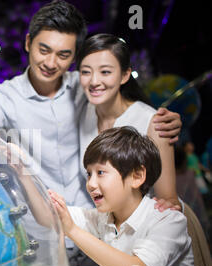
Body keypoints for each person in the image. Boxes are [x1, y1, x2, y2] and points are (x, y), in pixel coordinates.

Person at [0, 0, 182, 265]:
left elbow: (123, 100)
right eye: (43, 50)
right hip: (45, 232)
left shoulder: (86, 84)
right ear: (28, 42)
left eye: (64, 55)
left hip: (99, 228)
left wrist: (160, 120)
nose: (51, 62)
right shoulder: (6, 96)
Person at [49, 126, 209, 266]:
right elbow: (49, 214)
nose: (91, 184)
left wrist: (72, 230)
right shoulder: (103, 218)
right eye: (89, 174)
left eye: (101, 172)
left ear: (137, 176)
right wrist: (24, 174)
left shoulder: (167, 220)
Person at [76, 33, 181, 210]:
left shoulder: (153, 123)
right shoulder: (84, 113)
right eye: (86, 72)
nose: (94, 81)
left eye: (105, 72)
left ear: (125, 75)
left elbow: (169, 202)